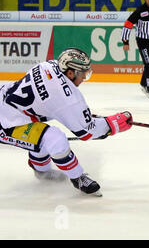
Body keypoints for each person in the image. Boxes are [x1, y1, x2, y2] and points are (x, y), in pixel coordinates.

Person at [0, 48, 133, 196]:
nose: (84, 78)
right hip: (7, 123)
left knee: (41, 135)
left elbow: (48, 103)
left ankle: (41, 171)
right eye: (83, 74)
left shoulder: (48, 65)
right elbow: (88, 131)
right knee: (55, 139)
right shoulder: (67, 99)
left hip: (7, 104)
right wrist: (113, 124)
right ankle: (77, 178)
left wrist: (80, 116)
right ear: (70, 73)